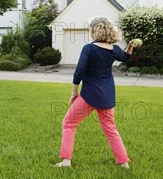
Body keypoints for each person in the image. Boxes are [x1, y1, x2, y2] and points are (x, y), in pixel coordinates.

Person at [54, 16, 139, 169]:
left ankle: (66, 161)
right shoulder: (114, 49)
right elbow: (126, 57)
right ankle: (123, 162)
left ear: (94, 30)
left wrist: (74, 92)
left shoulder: (89, 48)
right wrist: (131, 45)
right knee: (110, 128)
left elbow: (79, 71)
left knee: (68, 123)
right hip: (107, 96)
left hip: (89, 96)